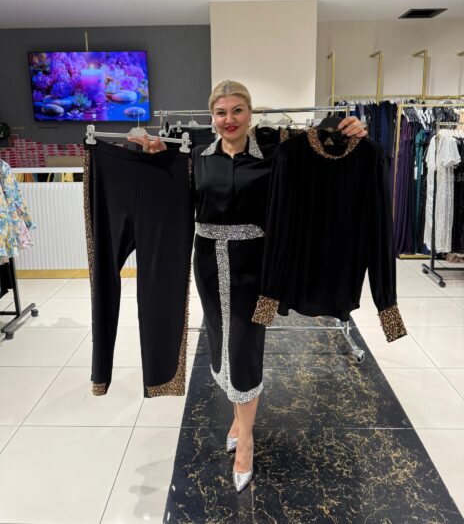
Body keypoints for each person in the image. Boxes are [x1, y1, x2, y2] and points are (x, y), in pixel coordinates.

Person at [129, 80, 368, 492]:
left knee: (244, 345)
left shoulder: (275, 154)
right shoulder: (197, 157)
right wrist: (153, 154)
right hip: (207, 265)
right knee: (221, 342)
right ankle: (240, 421)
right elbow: (168, 194)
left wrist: (351, 132)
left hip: (257, 269)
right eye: (221, 112)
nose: (229, 119)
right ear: (211, 117)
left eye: (237, 110)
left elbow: (322, 155)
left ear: (250, 113)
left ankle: (246, 440)